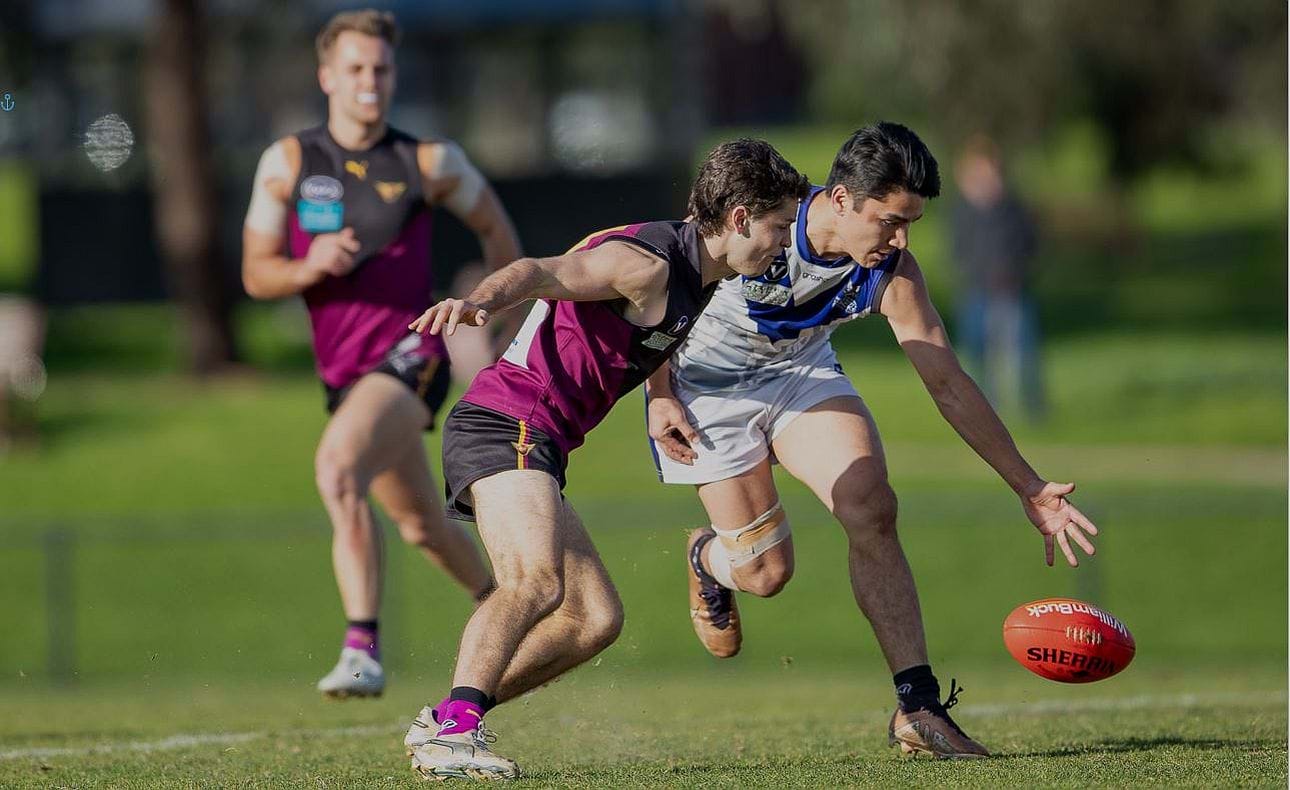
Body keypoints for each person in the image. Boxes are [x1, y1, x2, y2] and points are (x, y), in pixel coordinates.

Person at [645, 123, 1099, 759]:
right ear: (838, 200)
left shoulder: (890, 272)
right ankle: (707, 561)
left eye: (911, 222)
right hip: (708, 393)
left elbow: (947, 382)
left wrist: (1028, 486)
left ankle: (918, 707)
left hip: (798, 377)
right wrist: (658, 389)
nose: (900, 239)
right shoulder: (765, 215)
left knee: (872, 505)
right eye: (888, 221)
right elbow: (653, 288)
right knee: (766, 573)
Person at [399, 139, 810, 781]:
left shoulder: (700, 272)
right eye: (781, 226)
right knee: (535, 583)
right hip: (506, 422)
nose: (786, 242)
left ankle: (451, 716)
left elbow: (654, 332)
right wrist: (482, 302)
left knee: (594, 619)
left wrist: (661, 395)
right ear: (739, 219)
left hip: (539, 439)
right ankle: (454, 732)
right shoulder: (640, 263)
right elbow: (537, 270)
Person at [241, 9, 522, 699]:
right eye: (358, 69)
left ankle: (362, 647)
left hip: (411, 353)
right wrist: (310, 269)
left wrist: (491, 318)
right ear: (327, 76)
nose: (371, 82)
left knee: (337, 468)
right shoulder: (288, 163)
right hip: (344, 375)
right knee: (423, 526)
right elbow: (256, 275)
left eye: (382, 69)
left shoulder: (428, 161)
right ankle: (510, 610)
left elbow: (499, 236)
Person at [950, 134, 1045, 420]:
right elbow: (959, 249)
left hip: (1013, 289)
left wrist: (1016, 271)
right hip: (977, 289)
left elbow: (1030, 244)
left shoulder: (1013, 208)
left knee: (1024, 351)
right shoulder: (963, 211)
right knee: (977, 353)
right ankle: (984, 409)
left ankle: (1034, 408)